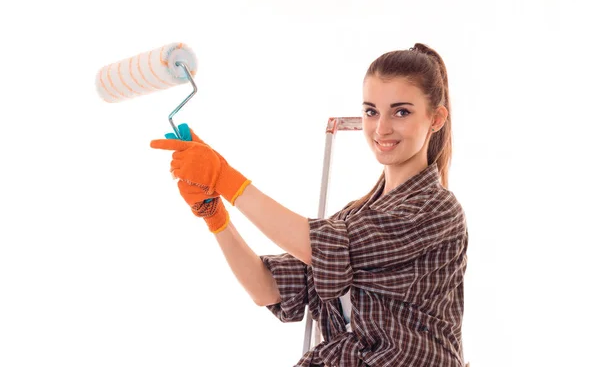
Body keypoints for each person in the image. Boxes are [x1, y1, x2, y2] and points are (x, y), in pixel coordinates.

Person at [150, 43, 469, 367]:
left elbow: (320, 247)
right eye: (371, 111)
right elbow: (267, 289)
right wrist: (215, 215)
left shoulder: (435, 212)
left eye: (401, 112)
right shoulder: (354, 218)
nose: (381, 128)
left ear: (436, 118)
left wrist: (225, 178)